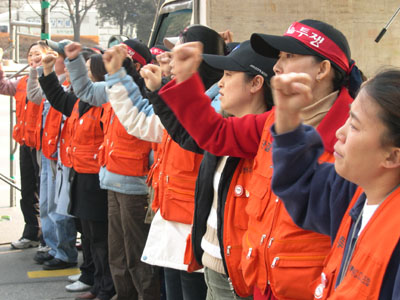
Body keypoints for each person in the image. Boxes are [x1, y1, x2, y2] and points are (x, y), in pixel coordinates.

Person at [157, 19, 363, 299]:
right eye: (279, 57)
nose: (277, 67)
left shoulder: (356, 136)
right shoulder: (273, 122)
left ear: (323, 69)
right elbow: (215, 134)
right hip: (260, 286)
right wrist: (185, 82)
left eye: (289, 56)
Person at [104, 24, 227, 300]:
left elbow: (192, 133)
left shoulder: (218, 105)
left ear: (199, 59)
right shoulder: (180, 98)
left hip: (194, 230)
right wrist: (118, 77)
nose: (170, 59)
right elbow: (142, 121)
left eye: (179, 53)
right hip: (172, 220)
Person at [147, 40, 275, 299]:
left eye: (229, 75)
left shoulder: (269, 139)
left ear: (256, 83)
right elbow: (191, 130)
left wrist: (184, 81)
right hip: (212, 265)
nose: (220, 83)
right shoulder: (229, 129)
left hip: (240, 279)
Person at [270, 69, 400, 299]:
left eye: (355, 126)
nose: (340, 132)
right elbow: (302, 184)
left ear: (392, 157)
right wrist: (288, 117)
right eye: (348, 117)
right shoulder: (354, 191)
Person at [64, 40, 160, 300]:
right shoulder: (112, 90)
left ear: (136, 63)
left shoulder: (146, 95)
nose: (112, 61)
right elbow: (84, 89)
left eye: (120, 57)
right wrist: (73, 61)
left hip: (135, 187)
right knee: (117, 253)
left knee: (137, 254)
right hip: (111, 181)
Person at [39, 51, 115, 300]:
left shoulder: (105, 101)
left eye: (88, 71)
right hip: (79, 174)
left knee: (100, 237)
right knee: (89, 234)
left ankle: (105, 286)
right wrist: (48, 72)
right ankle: (93, 278)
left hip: (98, 177)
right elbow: (58, 98)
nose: (81, 77)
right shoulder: (79, 100)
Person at [0, 43, 43, 249]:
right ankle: (31, 232)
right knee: (28, 191)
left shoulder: (51, 81)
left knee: (46, 193)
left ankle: (48, 237)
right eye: (30, 54)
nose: (33, 57)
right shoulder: (22, 82)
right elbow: (2, 85)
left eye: (38, 54)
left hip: (43, 146)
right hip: (26, 143)